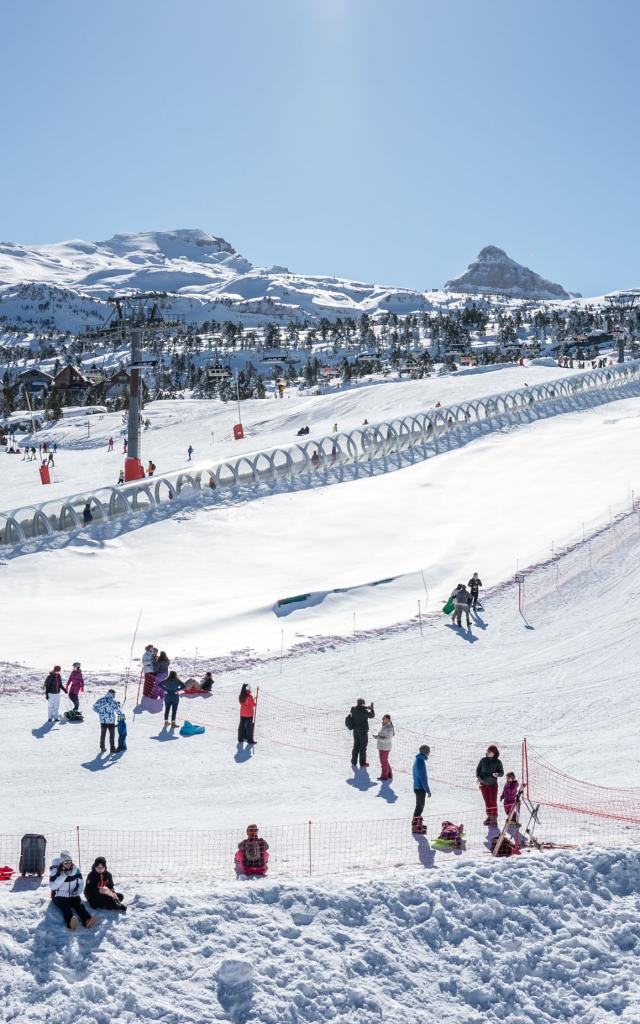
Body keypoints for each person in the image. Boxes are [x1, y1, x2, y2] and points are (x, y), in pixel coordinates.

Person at [49, 851, 96, 930]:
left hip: (72, 894)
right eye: (65, 862)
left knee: (79, 905)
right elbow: (52, 886)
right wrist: (63, 876)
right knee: (65, 907)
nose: (68, 864)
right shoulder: (55, 872)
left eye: (69, 862)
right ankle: (70, 922)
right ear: (61, 863)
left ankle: (87, 920)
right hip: (58, 895)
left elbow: (81, 883)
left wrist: (77, 892)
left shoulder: (75, 871)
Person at [476, 744, 504, 826]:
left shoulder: (498, 762)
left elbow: (501, 773)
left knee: (493, 801)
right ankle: (489, 816)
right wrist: (480, 779)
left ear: (494, 753)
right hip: (483, 785)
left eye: (489, 751)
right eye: (487, 751)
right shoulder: (483, 760)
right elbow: (477, 771)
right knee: (487, 801)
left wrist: (497, 774)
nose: (487, 752)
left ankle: (494, 818)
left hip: (493, 785)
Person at [93, 689, 121, 754]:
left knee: (103, 734)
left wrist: (100, 713)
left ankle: (102, 747)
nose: (114, 696)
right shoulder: (113, 701)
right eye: (114, 694)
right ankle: (112, 748)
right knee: (112, 735)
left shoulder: (101, 700)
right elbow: (118, 711)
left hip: (103, 720)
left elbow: (94, 707)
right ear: (112, 694)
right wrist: (122, 717)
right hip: (111, 721)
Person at [349, 698, 375, 768]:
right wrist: (372, 709)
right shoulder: (364, 711)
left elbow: (358, 708)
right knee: (362, 748)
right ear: (363, 704)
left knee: (355, 747)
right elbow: (372, 715)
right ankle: (362, 763)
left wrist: (366, 707)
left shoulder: (353, 709)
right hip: (363, 732)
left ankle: (353, 762)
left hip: (355, 731)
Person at [412, 745, 432, 833]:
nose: (429, 753)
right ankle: (415, 826)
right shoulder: (420, 762)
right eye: (428, 752)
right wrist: (427, 790)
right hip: (420, 788)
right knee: (419, 807)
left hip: (417, 786)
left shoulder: (418, 760)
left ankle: (418, 823)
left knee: (420, 806)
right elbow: (423, 778)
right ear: (426, 752)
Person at [373, 714, 394, 781]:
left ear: (388, 719)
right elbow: (382, 735)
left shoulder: (390, 728)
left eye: (383, 719)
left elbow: (388, 739)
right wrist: (377, 736)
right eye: (382, 718)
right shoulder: (385, 726)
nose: (382, 720)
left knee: (383, 762)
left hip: (385, 747)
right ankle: (389, 774)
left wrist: (378, 737)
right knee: (384, 761)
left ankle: (384, 777)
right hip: (381, 747)